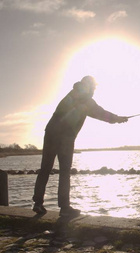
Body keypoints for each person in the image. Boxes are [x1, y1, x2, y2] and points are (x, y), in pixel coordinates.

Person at [32, 76, 128, 217]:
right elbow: (100, 113)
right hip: (65, 137)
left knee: (45, 168)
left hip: (51, 133)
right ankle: (64, 208)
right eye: (93, 86)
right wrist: (117, 119)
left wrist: (115, 119)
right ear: (88, 85)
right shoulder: (85, 99)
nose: (94, 89)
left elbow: (96, 111)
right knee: (64, 172)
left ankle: (38, 203)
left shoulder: (72, 94)